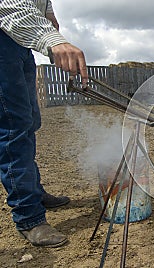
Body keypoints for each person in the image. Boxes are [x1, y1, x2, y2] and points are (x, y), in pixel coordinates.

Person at [0, 0, 88, 248]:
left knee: (29, 122)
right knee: (13, 129)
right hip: (3, 40)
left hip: (20, 44)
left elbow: (44, 8)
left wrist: (50, 20)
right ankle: (29, 217)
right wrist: (51, 38)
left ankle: (33, 193)